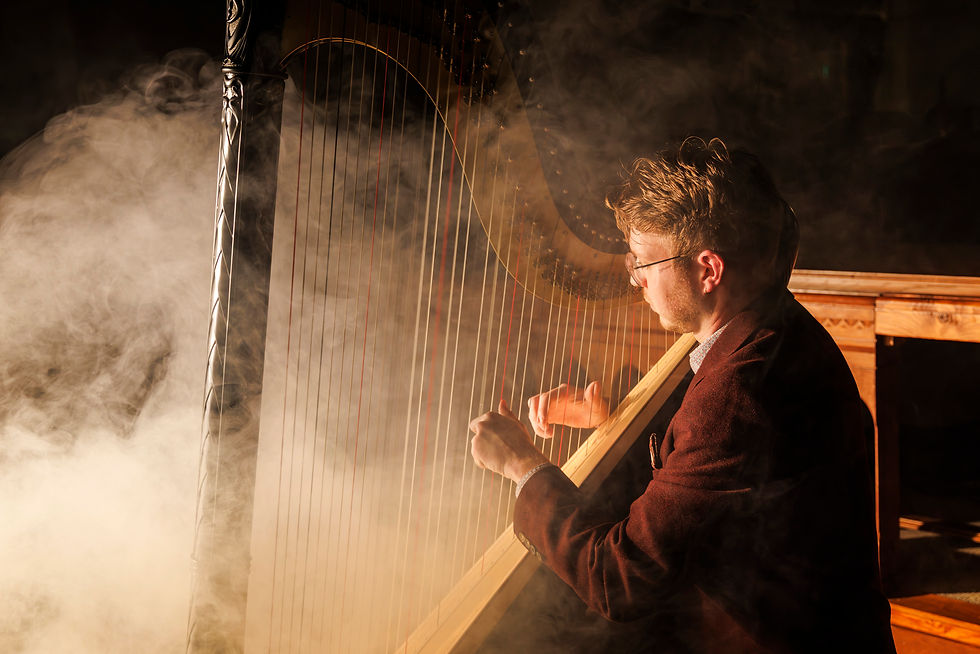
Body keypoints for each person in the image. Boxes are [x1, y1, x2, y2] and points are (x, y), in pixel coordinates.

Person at [468, 138, 896, 653]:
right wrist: (611, 420)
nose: (635, 281)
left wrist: (522, 466)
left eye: (643, 263)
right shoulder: (771, 326)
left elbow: (620, 579)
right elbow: (716, 467)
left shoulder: (739, 392)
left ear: (709, 270)